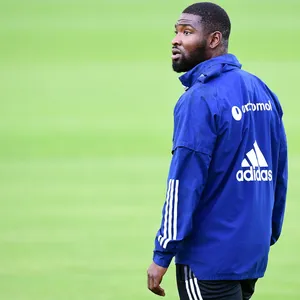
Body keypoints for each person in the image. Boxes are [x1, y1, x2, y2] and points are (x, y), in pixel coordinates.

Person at [147, 2, 288, 300]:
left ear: (213, 40)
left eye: (187, 32)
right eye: (176, 32)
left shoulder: (198, 99)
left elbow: (183, 183)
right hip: (251, 254)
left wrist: (162, 253)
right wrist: (268, 232)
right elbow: (278, 171)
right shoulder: (260, 90)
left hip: (207, 261)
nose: (175, 39)